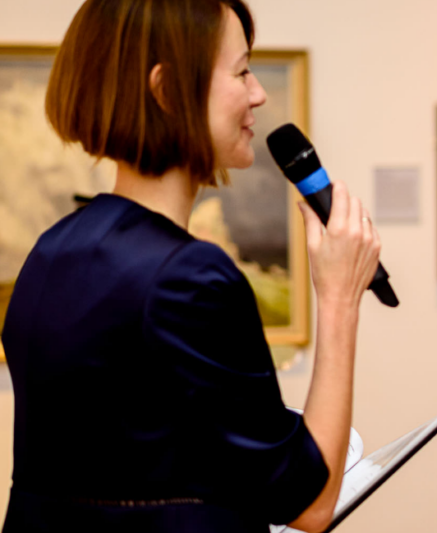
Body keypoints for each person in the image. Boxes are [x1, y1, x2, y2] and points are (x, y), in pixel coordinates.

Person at [0, 1, 381, 532]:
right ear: (166, 90)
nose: (258, 94)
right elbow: (308, 504)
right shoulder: (188, 274)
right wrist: (340, 298)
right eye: (242, 71)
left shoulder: (52, 252)